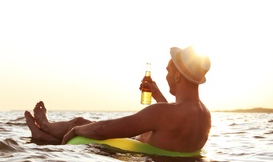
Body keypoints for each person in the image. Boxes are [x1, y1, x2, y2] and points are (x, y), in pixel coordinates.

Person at [24, 46, 211, 152]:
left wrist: (76, 130)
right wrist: (157, 95)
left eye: (168, 72)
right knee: (84, 129)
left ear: (178, 76)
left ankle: (45, 128)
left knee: (80, 123)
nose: (167, 76)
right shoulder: (205, 116)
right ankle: (43, 135)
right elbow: (171, 122)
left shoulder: (162, 113)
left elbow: (104, 130)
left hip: (135, 161)